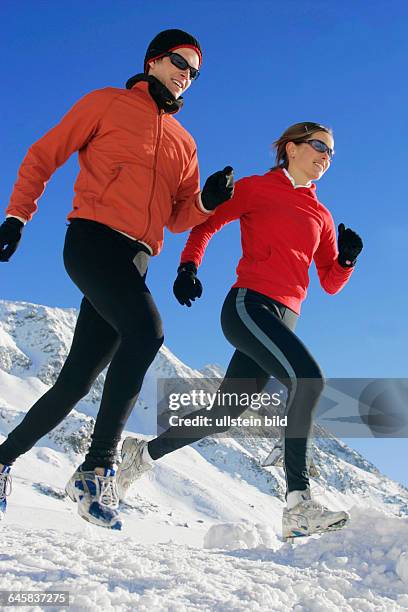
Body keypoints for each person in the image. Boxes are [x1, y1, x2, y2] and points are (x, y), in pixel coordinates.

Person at [0, 29, 234, 529]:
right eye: (178, 62)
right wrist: (17, 217)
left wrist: (208, 202)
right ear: (153, 62)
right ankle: (98, 465)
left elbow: (178, 217)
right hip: (92, 240)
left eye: (193, 72)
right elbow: (44, 154)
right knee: (147, 333)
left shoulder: (185, 142)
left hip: (137, 260)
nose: (185, 75)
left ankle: (1, 459)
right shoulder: (105, 103)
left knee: (74, 384)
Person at [116, 122, 364, 541]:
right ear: (291, 148)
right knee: (309, 380)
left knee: (224, 411)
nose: (327, 156)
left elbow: (328, 282)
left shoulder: (321, 215)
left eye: (332, 152)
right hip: (250, 307)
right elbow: (208, 225)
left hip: (286, 317)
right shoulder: (255, 188)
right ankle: (298, 504)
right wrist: (188, 266)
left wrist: (347, 261)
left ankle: (143, 453)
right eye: (320, 146)